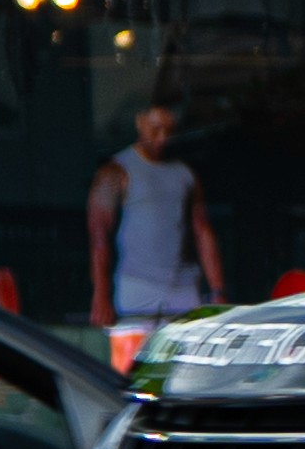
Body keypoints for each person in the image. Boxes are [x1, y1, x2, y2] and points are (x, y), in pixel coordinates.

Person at [90, 104, 220, 332]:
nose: (163, 138)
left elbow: (202, 232)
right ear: (140, 122)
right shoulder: (116, 170)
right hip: (137, 286)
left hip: (183, 288)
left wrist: (218, 290)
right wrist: (101, 295)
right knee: (134, 359)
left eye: (169, 131)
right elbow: (99, 238)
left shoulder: (185, 175)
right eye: (156, 129)